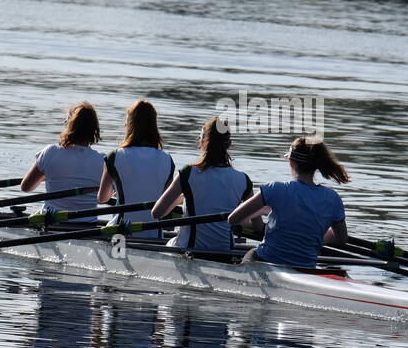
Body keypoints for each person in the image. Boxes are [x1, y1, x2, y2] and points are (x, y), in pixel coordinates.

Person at [227, 135, 349, 268]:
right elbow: (341, 239)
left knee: (250, 254)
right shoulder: (333, 198)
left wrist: (259, 212)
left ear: (291, 162)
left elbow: (232, 219)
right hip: (306, 268)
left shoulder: (275, 189)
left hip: (266, 260)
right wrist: (311, 237)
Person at [152, 116, 255, 253]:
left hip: (188, 250)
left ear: (202, 141)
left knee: (171, 242)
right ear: (229, 144)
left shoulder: (188, 173)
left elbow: (157, 213)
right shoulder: (244, 180)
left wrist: (181, 198)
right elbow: (256, 226)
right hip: (225, 253)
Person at [98, 99, 175, 240]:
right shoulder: (167, 159)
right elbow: (166, 206)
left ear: (130, 125)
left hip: (118, 233)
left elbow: (102, 198)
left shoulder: (115, 156)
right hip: (153, 236)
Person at [20, 102, 104, 222]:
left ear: (69, 126)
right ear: (94, 130)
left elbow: (26, 187)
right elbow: (105, 198)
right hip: (87, 226)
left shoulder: (51, 152)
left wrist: (49, 175)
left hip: (51, 222)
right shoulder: (103, 161)